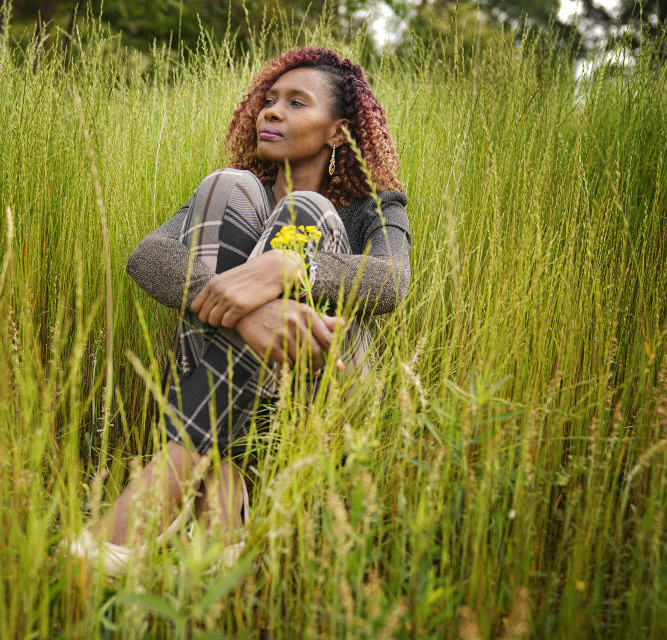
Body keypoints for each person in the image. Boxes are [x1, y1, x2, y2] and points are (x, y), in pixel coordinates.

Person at [65, 46, 411, 575]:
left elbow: (391, 282)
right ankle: (224, 504)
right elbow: (148, 256)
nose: (270, 111)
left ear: (338, 132)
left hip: (325, 386)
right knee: (226, 184)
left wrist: (294, 267)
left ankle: (169, 482)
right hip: (235, 395)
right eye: (269, 100)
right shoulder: (233, 198)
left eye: (297, 103)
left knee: (307, 209)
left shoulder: (375, 207)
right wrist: (250, 315)